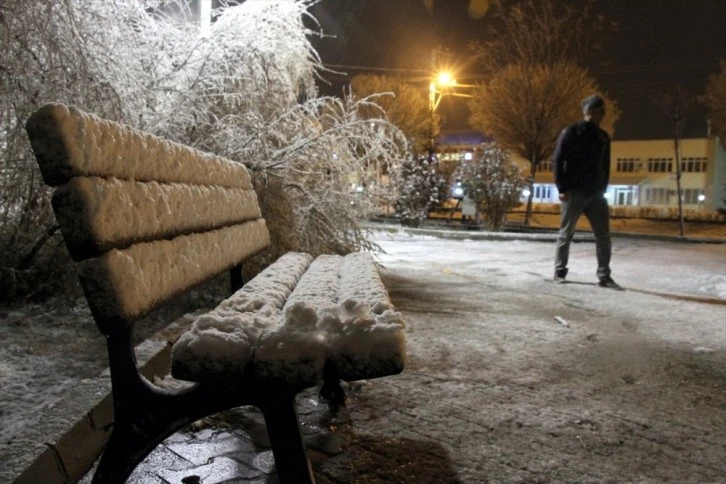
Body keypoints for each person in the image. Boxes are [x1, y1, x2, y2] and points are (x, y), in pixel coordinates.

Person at [552, 94, 623, 290]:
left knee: (603, 236)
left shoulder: (603, 137)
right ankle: (559, 271)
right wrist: (562, 187)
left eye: (599, 111)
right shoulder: (571, 132)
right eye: (592, 111)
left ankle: (604, 275)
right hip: (574, 192)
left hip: (596, 194)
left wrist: (603, 187)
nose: (596, 115)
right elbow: (558, 160)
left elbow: (606, 165)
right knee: (566, 234)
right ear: (586, 112)